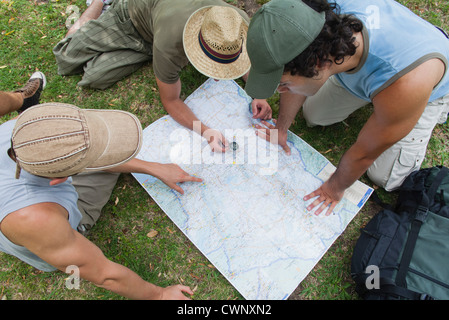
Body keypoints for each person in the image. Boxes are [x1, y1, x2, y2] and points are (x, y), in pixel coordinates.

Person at [244, 0, 449, 215]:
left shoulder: (407, 84)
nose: (281, 91)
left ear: (319, 65)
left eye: (284, 84)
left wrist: (334, 189)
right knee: (315, 115)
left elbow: (364, 153)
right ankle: (377, 98)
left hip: (419, 85)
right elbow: (294, 75)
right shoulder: (311, 19)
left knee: (385, 178)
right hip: (361, 69)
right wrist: (281, 129)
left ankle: (434, 105)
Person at [0, 100, 204, 299]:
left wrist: (153, 168)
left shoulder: (24, 128)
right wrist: (159, 295)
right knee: (106, 170)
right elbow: (105, 275)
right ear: (60, 179)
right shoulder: (37, 220)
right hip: (42, 234)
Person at [53, 0, 272, 153]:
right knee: (66, 58)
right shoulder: (171, 43)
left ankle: (147, 49)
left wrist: (258, 92)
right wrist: (206, 132)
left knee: (95, 75)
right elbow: (171, 100)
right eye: (215, 65)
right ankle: (100, 3)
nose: (219, 75)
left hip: (160, 29)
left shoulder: (236, 25)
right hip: (131, 19)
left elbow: (241, 60)